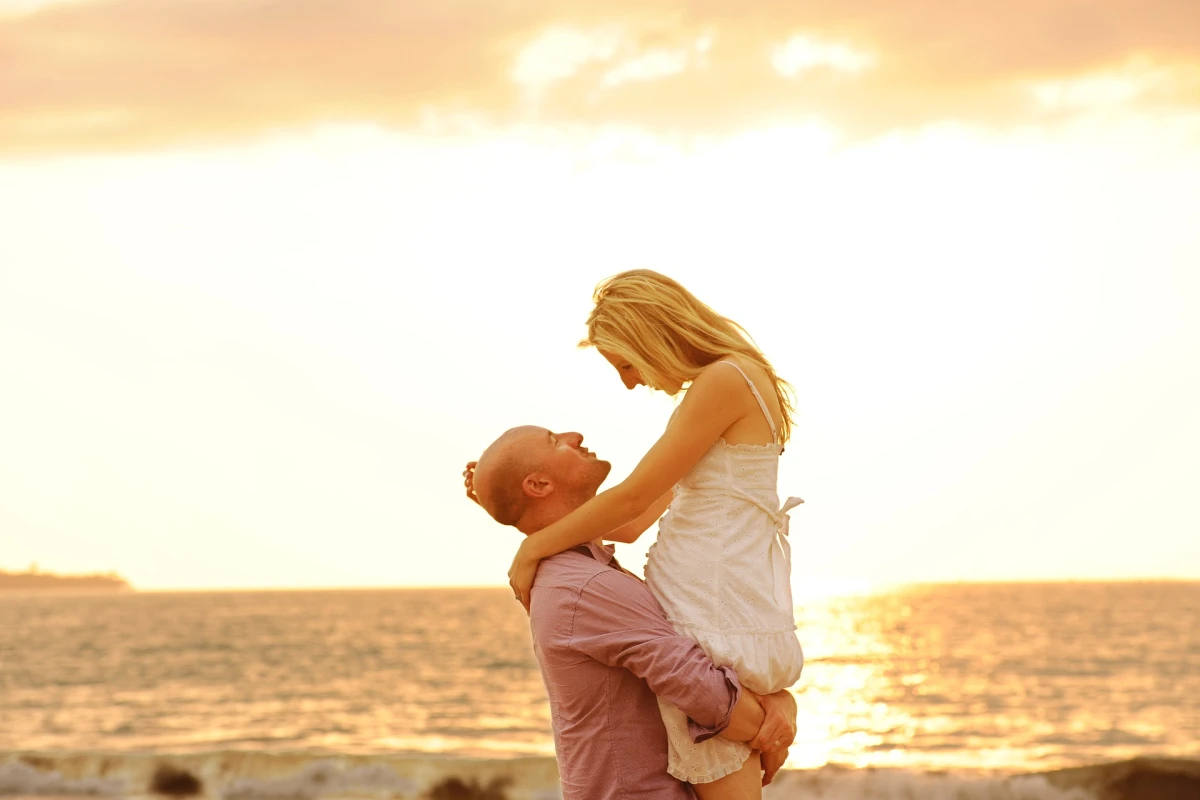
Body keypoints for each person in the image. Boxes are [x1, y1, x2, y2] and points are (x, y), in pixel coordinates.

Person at [503, 270, 805, 799]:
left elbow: (632, 499)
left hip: (711, 610)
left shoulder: (726, 380)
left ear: (649, 334)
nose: (629, 381)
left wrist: (532, 547)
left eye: (624, 363)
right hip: (704, 602)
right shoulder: (725, 385)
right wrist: (511, 497)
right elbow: (630, 523)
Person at [464, 426, 796, 799]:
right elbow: (703, 692)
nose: (574, 435)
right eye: (555, 442)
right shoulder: (585, 586)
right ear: (538, 485)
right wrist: (776, 718)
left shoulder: (577, 571)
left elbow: (634, 514)